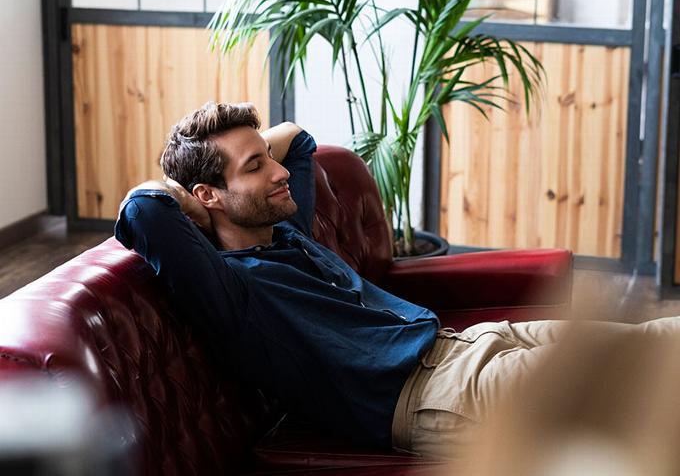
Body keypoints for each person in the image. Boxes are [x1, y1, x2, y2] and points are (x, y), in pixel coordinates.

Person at [115, 101, 680, 460]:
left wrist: (245, 157)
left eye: (267, 158)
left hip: (462, 344)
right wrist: (185, 195)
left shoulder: (284, 232)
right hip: (437, 395)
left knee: (657, 340)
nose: (279, 171)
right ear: (207, 196)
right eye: (255, 167)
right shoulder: (235, 293)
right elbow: (143, 211)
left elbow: (300, 139)